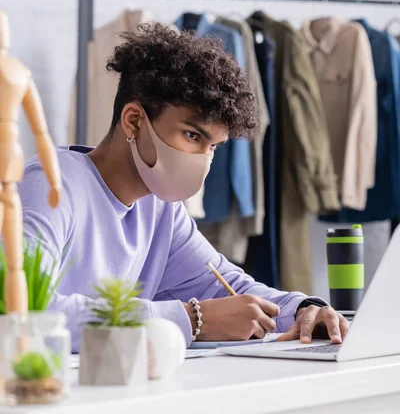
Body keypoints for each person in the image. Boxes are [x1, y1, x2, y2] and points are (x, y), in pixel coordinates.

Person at [20, 24, 349, 352]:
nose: (203, 160)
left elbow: (225, 286)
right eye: (193, 136)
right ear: (133, 121)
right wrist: (191, 320)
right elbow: (20, 310)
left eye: (214, 147)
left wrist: (303, 310)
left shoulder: (161, 208)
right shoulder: (51, 186)